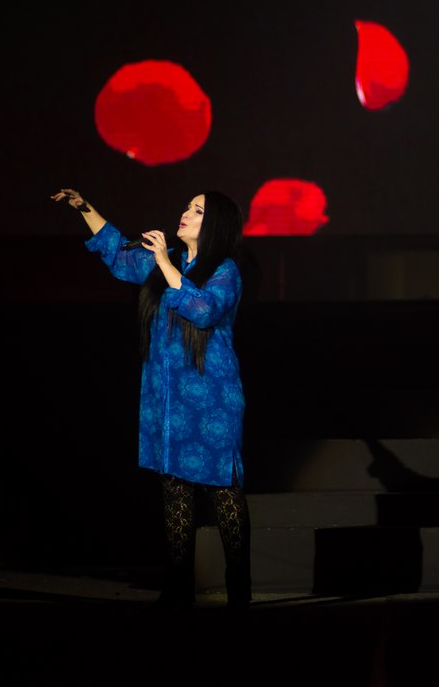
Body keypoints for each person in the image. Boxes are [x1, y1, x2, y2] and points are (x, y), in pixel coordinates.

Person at [50, 187, 251, 611]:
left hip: (211, 400)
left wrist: (164, 263)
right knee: (174, 491)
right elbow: (118, 254)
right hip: (167, 400)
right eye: (187, 205)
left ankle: (239, 589)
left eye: (197, 210)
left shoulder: (225, 270)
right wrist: (85, 208)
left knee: (223, 493)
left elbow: (203, 310)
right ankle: (178, 586)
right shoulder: (167, 260)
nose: (185, 212)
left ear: (215, 224)